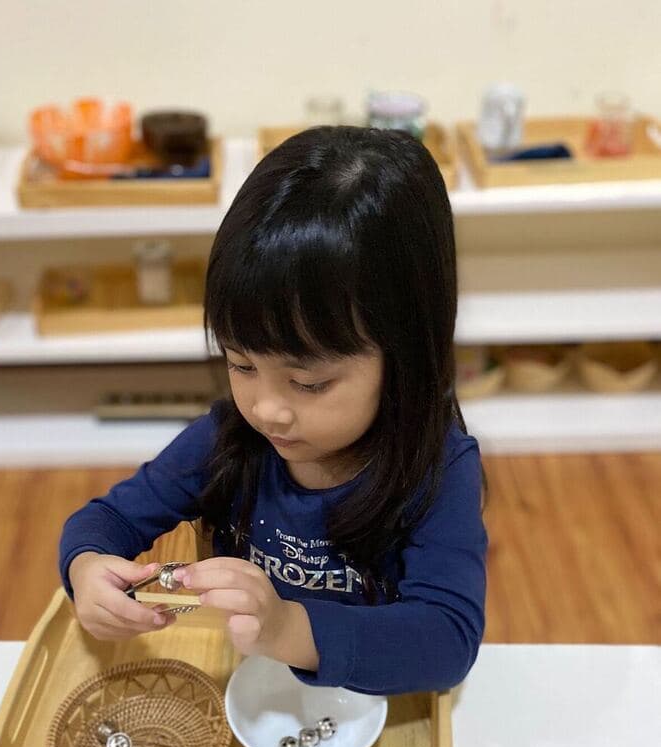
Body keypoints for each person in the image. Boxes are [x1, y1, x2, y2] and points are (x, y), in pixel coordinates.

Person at [59, 126, 487, 695]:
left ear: (407, 354)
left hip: (377, 701)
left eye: (308, 383)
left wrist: (288, 627)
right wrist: (87, 570)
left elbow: (445, 642)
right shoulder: (228, 440)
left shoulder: (438, 469)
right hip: (243, 686)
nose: (267, 410)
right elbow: (104, 522)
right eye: (241, 365)